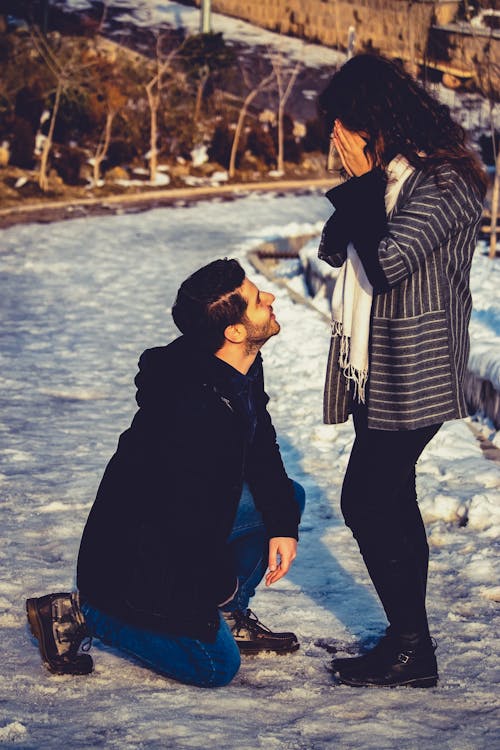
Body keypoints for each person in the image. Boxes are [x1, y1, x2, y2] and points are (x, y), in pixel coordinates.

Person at [26, 258, 305, 687]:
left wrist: (283, 525)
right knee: (215, 669)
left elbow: (261, 447)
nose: (270, 299)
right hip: (138, 555)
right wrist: (215, 589)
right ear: (232, 332)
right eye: (256, 300)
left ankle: (228, 618)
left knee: (286, 497)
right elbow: (178, 525)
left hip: (183, 530)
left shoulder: (238, 369)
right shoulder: (190, 410)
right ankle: (83, 613)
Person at [317, 54, 486, 688]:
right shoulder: (390, 178)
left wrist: (360, 189)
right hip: (373, 364)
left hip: (414, 367)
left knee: (366, 497)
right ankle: (407, 643)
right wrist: (361, 186)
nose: (336, 139)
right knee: (388, 496)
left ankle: (413, 647)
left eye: (344, 126)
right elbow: (337, 247)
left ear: (377, 121)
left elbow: (385, 264)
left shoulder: (443, 185)